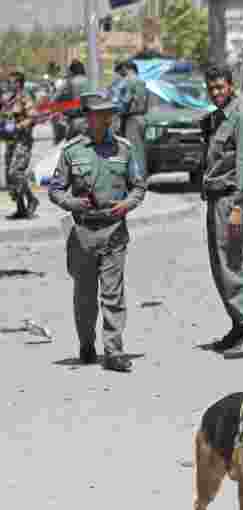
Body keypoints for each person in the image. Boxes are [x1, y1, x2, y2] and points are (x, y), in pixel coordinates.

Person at [48, 91, 147, 373]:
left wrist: (127, 205)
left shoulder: (125, 149)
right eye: (100, 114)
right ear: (89, 118)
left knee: (113, 295)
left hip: (114, 231)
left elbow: (139, 185)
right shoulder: (72, 151)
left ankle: (114, 351)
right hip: (83, 232)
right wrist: (71, 203)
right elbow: (55, 189)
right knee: (85, 295)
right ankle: (86, 344)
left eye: (109, 114)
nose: (106, 119)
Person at [199, 64, 243, 359]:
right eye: (211, 88)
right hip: (218, 199)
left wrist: (240, 207)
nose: (216, 93)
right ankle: (239, 326)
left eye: (220, 87)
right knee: (223, 264)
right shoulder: (219, 117)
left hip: (233, 201)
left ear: (231, 85)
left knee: (238, 261)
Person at [4, 71, 40, 218]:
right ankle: (21, 208)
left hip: (22, 142)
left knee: (16, 172)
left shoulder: (25, 97)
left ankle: (32, 199)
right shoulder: (10, 99)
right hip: (11, 141)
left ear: (19, 83)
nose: (9, 84)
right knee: (10, 176)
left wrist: (18, 126)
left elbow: (33, 117)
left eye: (11, 81)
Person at [118, 61, 148, 180]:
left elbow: (126, 100)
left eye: (121, 70)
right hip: (141, 118)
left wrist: (118, 112)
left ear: (126, 68)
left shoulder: (130, 81)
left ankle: (136, 177)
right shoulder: (142, 81)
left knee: (133, 149)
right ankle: (142, 175)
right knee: (140, 148)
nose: (121, 73)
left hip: (132, 119)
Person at [59, 60, 90, 141]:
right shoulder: (90, 81)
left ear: (72, 71)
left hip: (75, 119)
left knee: (69, 144)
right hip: (90, 119)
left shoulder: (69, 82)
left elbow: (58, 97)